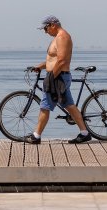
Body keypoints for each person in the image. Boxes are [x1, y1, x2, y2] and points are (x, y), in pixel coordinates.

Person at [24, 15, 92, 144]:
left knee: (45, 106)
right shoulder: (57, 38)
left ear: (52, 25)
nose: (45, 31)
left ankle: (36, 136)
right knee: (69, 106)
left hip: (58, 76)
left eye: (45, 28)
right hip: (59, 75)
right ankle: (85, 133)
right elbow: (53, 60)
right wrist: (41, 66)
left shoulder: (62, 37)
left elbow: (61, 61)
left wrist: (51, 77)